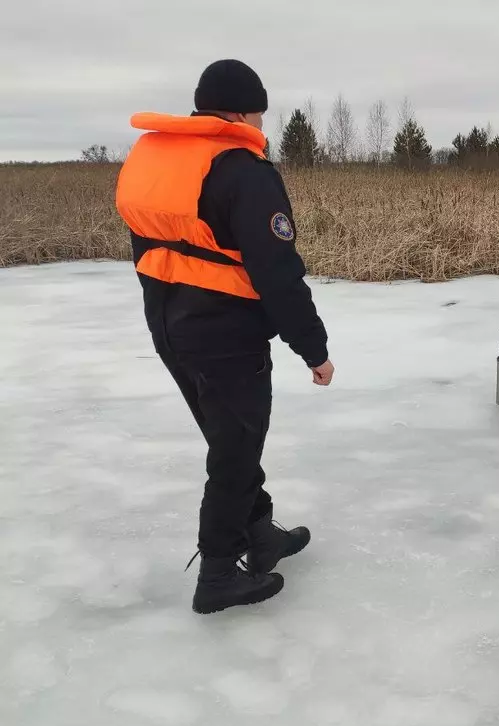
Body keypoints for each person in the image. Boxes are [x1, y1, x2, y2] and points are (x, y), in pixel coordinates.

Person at [114, 60, 334, 614]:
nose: (261, 122)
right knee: (235, 452)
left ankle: (261, 536)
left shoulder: (157, 159)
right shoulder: (243, 169)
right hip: (226, 336)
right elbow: (276, 271)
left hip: (169, 327)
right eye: (259, 111)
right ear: (241, 110)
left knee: (229, 440)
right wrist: (314, 347)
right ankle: (217, 574)